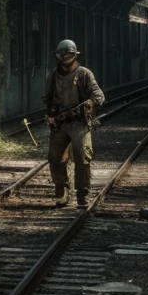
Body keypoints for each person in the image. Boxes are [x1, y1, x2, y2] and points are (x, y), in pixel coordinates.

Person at [42, 39, 105, 209]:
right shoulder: (53, 76)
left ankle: (83, 195)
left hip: (79, 124)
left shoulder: (84, 74)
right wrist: (51, 115)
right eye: (60, 55)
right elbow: (46, 98)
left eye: (68, 54)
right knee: (56, 159)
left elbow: (99, 95)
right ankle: (62, 193)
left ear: (75, 55)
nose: (64, 58)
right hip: (60, 125)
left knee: (82, 158)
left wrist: (89, 104)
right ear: (56, 56)